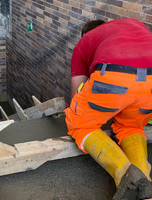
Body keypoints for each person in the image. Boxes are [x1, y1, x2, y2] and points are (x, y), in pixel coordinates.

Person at [64, 18, 152, 199]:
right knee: (131, 126)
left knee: (79, 122)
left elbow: (76, 96)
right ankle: (144, 179)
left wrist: (86, 110)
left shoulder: (84, 42)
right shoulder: (132, 24)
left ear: (86, 35)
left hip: (113, 72)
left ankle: (125, 173)